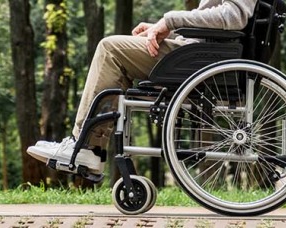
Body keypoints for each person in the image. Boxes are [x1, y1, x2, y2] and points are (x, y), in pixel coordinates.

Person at [26, 0, 258, 174]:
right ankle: (89, 147)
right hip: (200, 53)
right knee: (118, 53)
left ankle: (85, 146)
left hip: (203, 59)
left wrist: (170, 21)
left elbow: (234, 16)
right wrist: (168, 28)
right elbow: (214, 18)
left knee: (110, 49)